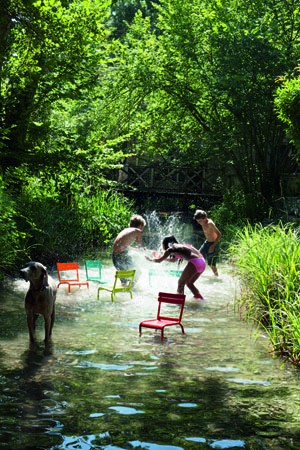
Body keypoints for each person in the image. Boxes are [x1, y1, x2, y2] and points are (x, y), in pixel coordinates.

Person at [146, 235, 206, 299]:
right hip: (203, 262)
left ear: (165, 244)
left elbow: (159, 261)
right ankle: (200, 299)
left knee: (181, 282)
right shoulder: (181, 247)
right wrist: (164, 258)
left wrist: (149, 259)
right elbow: (173, 260)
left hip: (195, 262)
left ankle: (179, 302)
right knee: (189, 283)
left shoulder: (170, 249)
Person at [112, 214, 146, 284]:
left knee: (124, 279)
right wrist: (146, 251)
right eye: (142, 227)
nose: (142, 229)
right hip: (122, 256)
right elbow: (140, 248)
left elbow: (123, 247)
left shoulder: (126, 230)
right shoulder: (138, 231)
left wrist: (137, 250)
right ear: (140, 225)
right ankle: (131, 290)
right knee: (138, 272)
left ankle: (125, 291)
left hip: (115, 257)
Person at [193, 209, 221, 276]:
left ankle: (216, 277)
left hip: (214, 243)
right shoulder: (202, 220)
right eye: (198, 221)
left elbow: (219, 234)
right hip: (207, 242)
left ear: (205, 218)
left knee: (211, 264)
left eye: (200, 221)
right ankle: (196, 273)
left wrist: (213, 246)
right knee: (198, 256)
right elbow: (198, 211)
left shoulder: (210, 224)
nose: (199, 223)